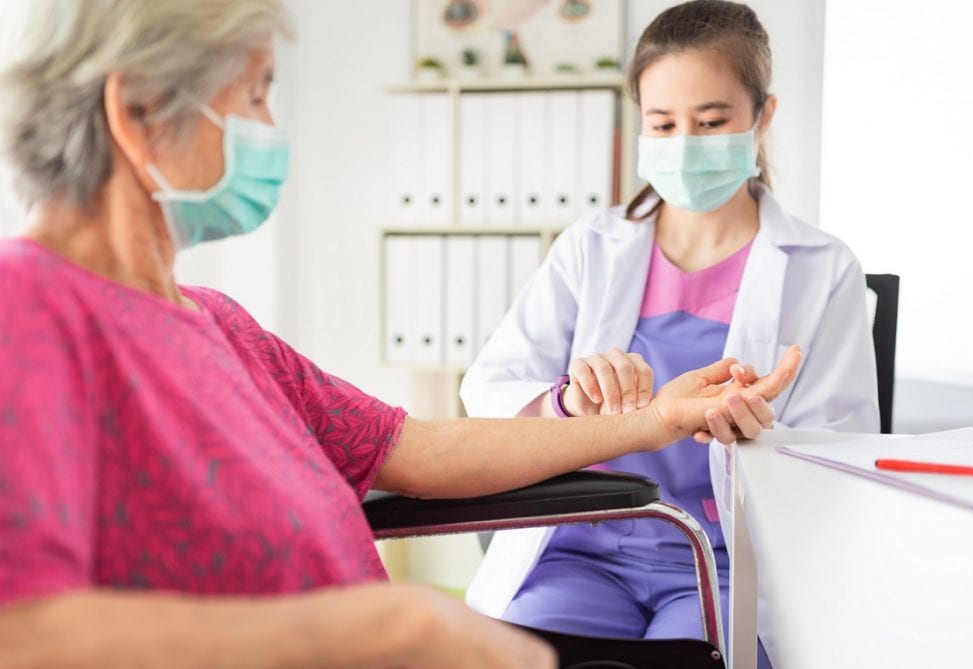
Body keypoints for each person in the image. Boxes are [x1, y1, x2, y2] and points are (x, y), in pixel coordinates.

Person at [0, 1, 801, 666]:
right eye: (254, 96)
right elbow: (22, 632)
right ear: (136, 109)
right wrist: (397, 628)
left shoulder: (219, 324)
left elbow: (412, 450)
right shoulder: (29, 306)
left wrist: (653, 419)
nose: (271, 125)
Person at [459, 1, 879, 665]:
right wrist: (568, 398)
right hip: (579, 551)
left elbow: (845, 455)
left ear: (763, 117)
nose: (686, 143)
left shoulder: (822, 270)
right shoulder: (590, 249)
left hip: (725, 563)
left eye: (712, 122)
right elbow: (490, 388)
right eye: (663, 123)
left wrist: (759, 432)